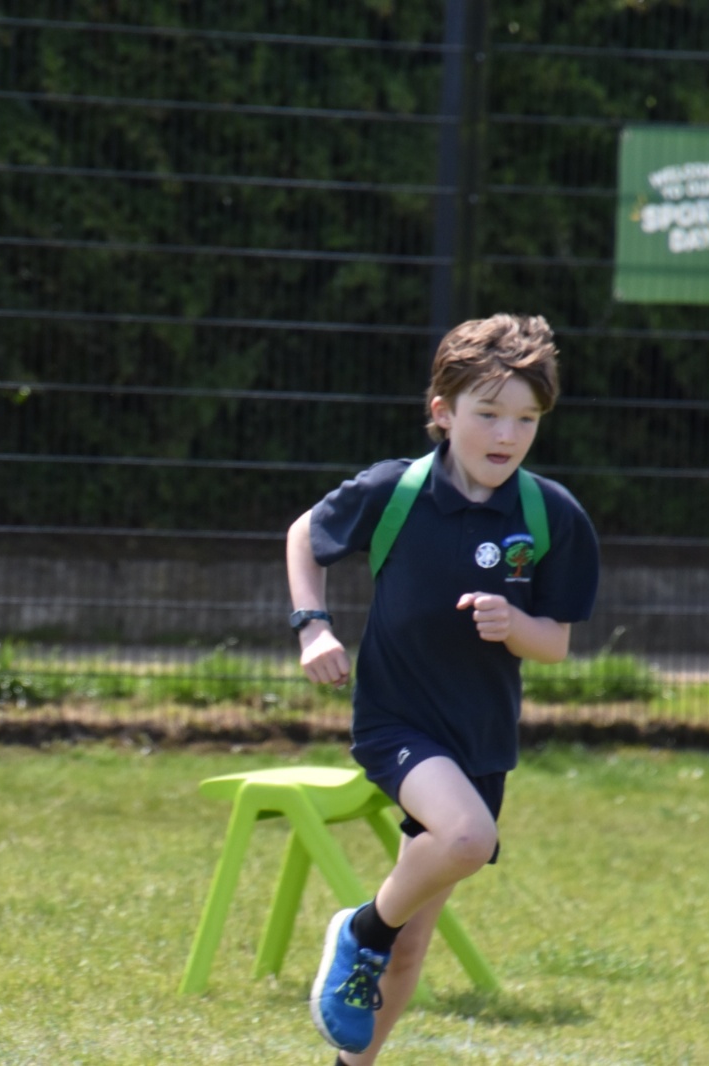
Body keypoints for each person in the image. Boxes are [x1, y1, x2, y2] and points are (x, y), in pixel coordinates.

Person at [285, 314, 599, 1062]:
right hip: (397, 722)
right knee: (466, 839)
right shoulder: (395, 491)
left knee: (409, 947)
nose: (507, 434)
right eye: (487, 413)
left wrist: (513, 625)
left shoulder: (552, 515)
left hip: (479, 740)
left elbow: (555, 643)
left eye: (526, 419)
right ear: (443, 413)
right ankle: (358, 927)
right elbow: (304, 535)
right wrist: (313, 627)